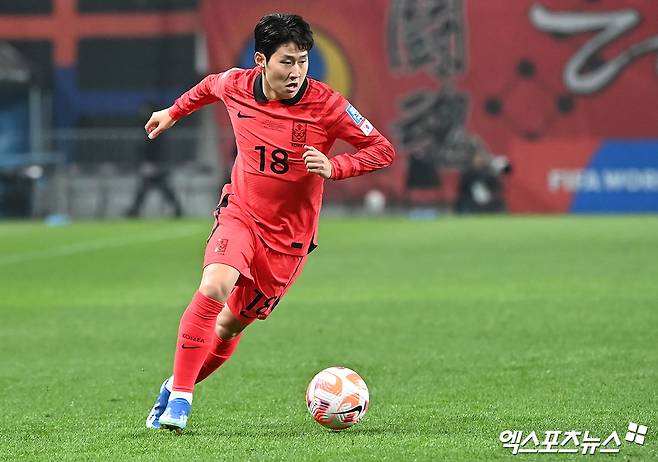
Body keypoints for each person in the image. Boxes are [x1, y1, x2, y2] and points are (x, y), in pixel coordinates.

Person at [144, 13, 395, 433]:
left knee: (229, 325)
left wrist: (336, 167)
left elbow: (382, 149)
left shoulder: (328, 105)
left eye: (303, 61)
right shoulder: (237, 85)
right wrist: (173, 111)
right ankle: (182, 401)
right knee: (214, 286)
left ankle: (174, 384)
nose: (296, 72)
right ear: (261, 60)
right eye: (286, 61)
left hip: (288, 241)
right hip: (241, 213)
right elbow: (209, 86)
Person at [126, 102, 183, 218]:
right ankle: (134, 211)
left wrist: (155, 164)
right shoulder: (150, 130)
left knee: (161, 189)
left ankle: (177, 210)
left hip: (157, 165)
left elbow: (157, 149)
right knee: (151, 190)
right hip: (153, 164)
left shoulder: (157, 132)